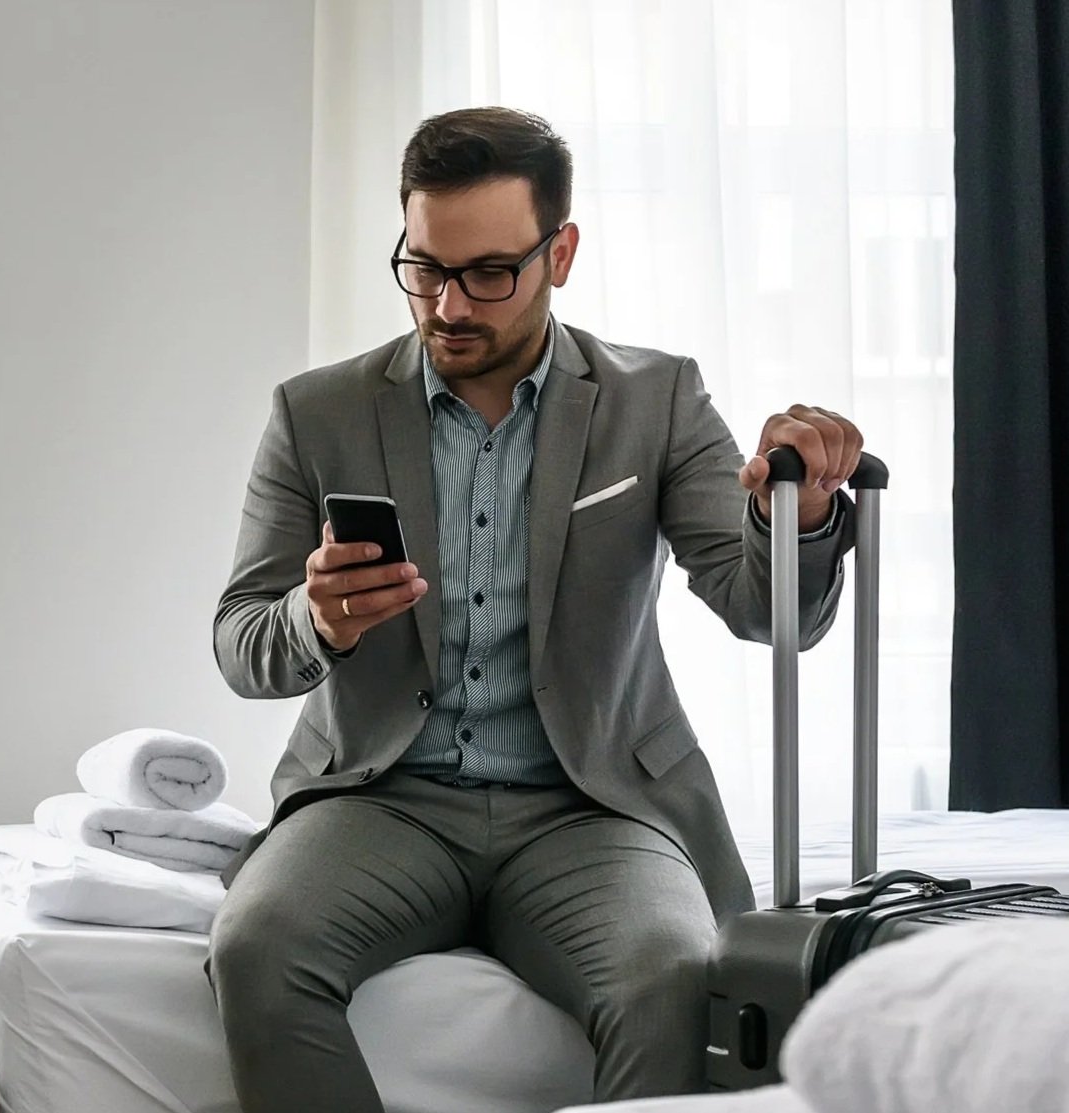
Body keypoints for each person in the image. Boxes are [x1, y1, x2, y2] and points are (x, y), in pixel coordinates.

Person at [208, 106, 862, 1111]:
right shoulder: (318, 411)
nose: (448, 306)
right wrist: (318, 619)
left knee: (675, 978)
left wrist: (803, 514)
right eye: (424, 268)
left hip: (590, 807)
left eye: (487, 274)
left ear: (560, 252)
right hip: (378, 800)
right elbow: (243, 644)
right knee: (256, 950)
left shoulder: (658, 399)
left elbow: (768, 613)